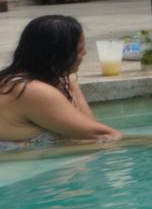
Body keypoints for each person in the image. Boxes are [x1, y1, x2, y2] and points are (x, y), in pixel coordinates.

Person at [0, 15, 121, 149]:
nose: (85, 53)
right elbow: (101, 134)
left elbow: (89, 126)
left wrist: (70, 80)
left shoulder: (44, 81)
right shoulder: (30, 90)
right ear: (59, 54)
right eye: (80, 49)